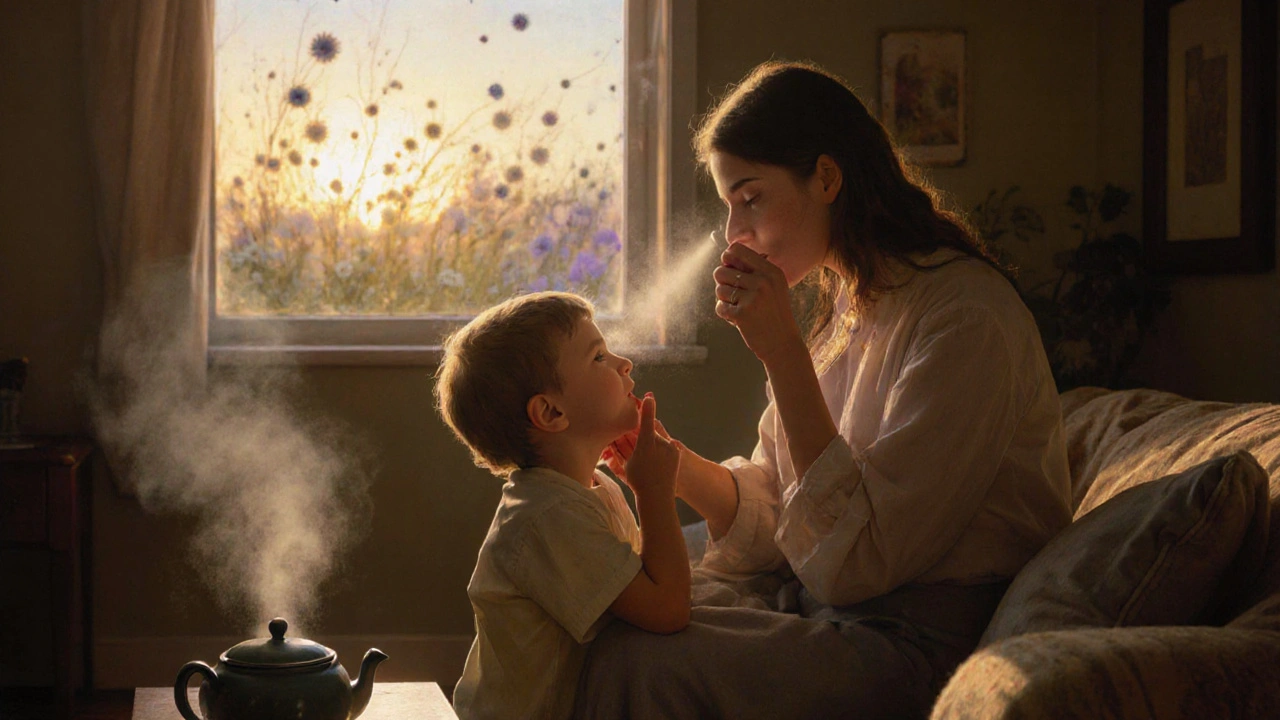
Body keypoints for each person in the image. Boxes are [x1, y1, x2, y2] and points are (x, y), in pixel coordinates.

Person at [574, 60, 1074, 719]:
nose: (735, 233)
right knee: (607, 603)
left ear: (827, 177)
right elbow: (787, 510)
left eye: (750, 197)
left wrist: (782, 354)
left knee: (637, 658)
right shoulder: (848, 308)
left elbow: (852, 565)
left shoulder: (964, 319)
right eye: (729, 207)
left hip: (917, 644)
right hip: (831, 605)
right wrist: (667, 462)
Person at [436, 291, 690, 720]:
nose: (624, 363)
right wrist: (654, 495)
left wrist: (638, 488)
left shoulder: (589, 488)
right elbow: (668, 609)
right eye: (599, 358)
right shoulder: (547, 517)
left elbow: (643, 579)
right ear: (551, 413)